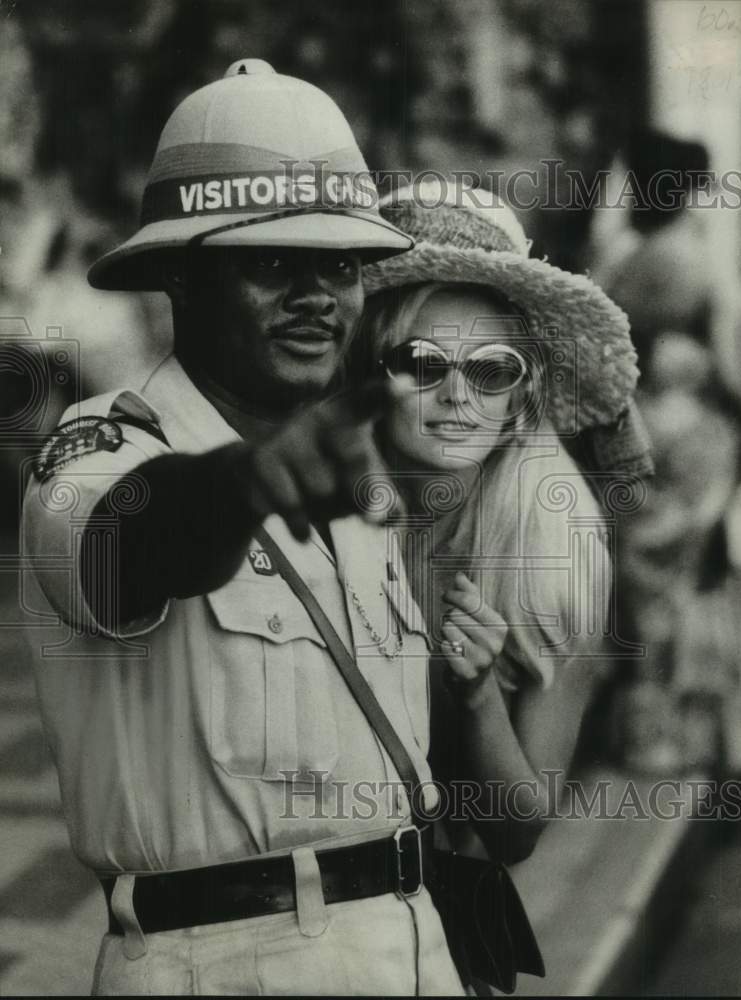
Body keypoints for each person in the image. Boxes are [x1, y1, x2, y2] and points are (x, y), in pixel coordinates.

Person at [22, 61, 473, 996]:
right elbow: (130, 546)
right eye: (272, 265)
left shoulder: (356, 470)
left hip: (409, 940)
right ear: (180, 277)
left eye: (340, 266)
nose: (316, 295)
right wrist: (244, 483)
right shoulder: (100, 445)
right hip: (220, 961)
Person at [351, 183, 641, 846]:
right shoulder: (311, 512)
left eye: (491, 371)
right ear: (368, 373)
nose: (458, 395)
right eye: (422, 364)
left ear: (519, 395)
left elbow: (519, 834)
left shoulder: (552, 545)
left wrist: (478, 695)